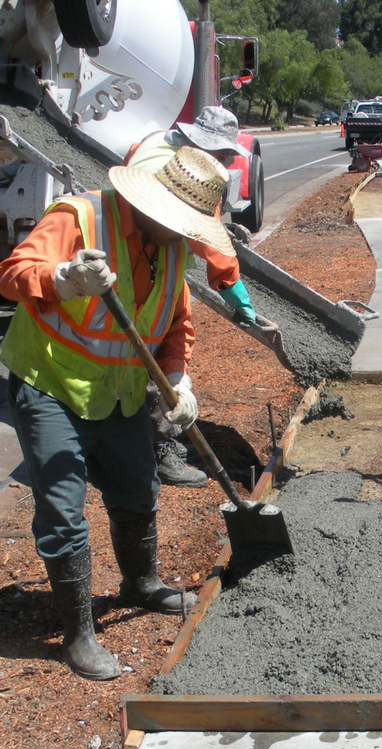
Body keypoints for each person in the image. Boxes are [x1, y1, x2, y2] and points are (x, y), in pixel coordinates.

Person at [0, 147, 233, 681]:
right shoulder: (81, 217)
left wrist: (177, 378)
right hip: (54, 385)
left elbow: (175, 323)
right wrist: (62, 280)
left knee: (137, 488)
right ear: (150, 203)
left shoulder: (173, 250)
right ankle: (78, 632)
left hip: (120, 393)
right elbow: (12, 273)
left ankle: (140, 583)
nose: (182, 233)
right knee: (62, 512)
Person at [125, 106, 268, 488]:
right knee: (155, 345)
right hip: (141, 262)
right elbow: (209, 244)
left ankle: (130, 437)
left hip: (144, 256)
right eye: (222, 156)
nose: (223, 163)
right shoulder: (190, 174)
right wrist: (234, 291)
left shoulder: (153, 144)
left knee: (164, 337)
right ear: (205, 149)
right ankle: (160, 449)